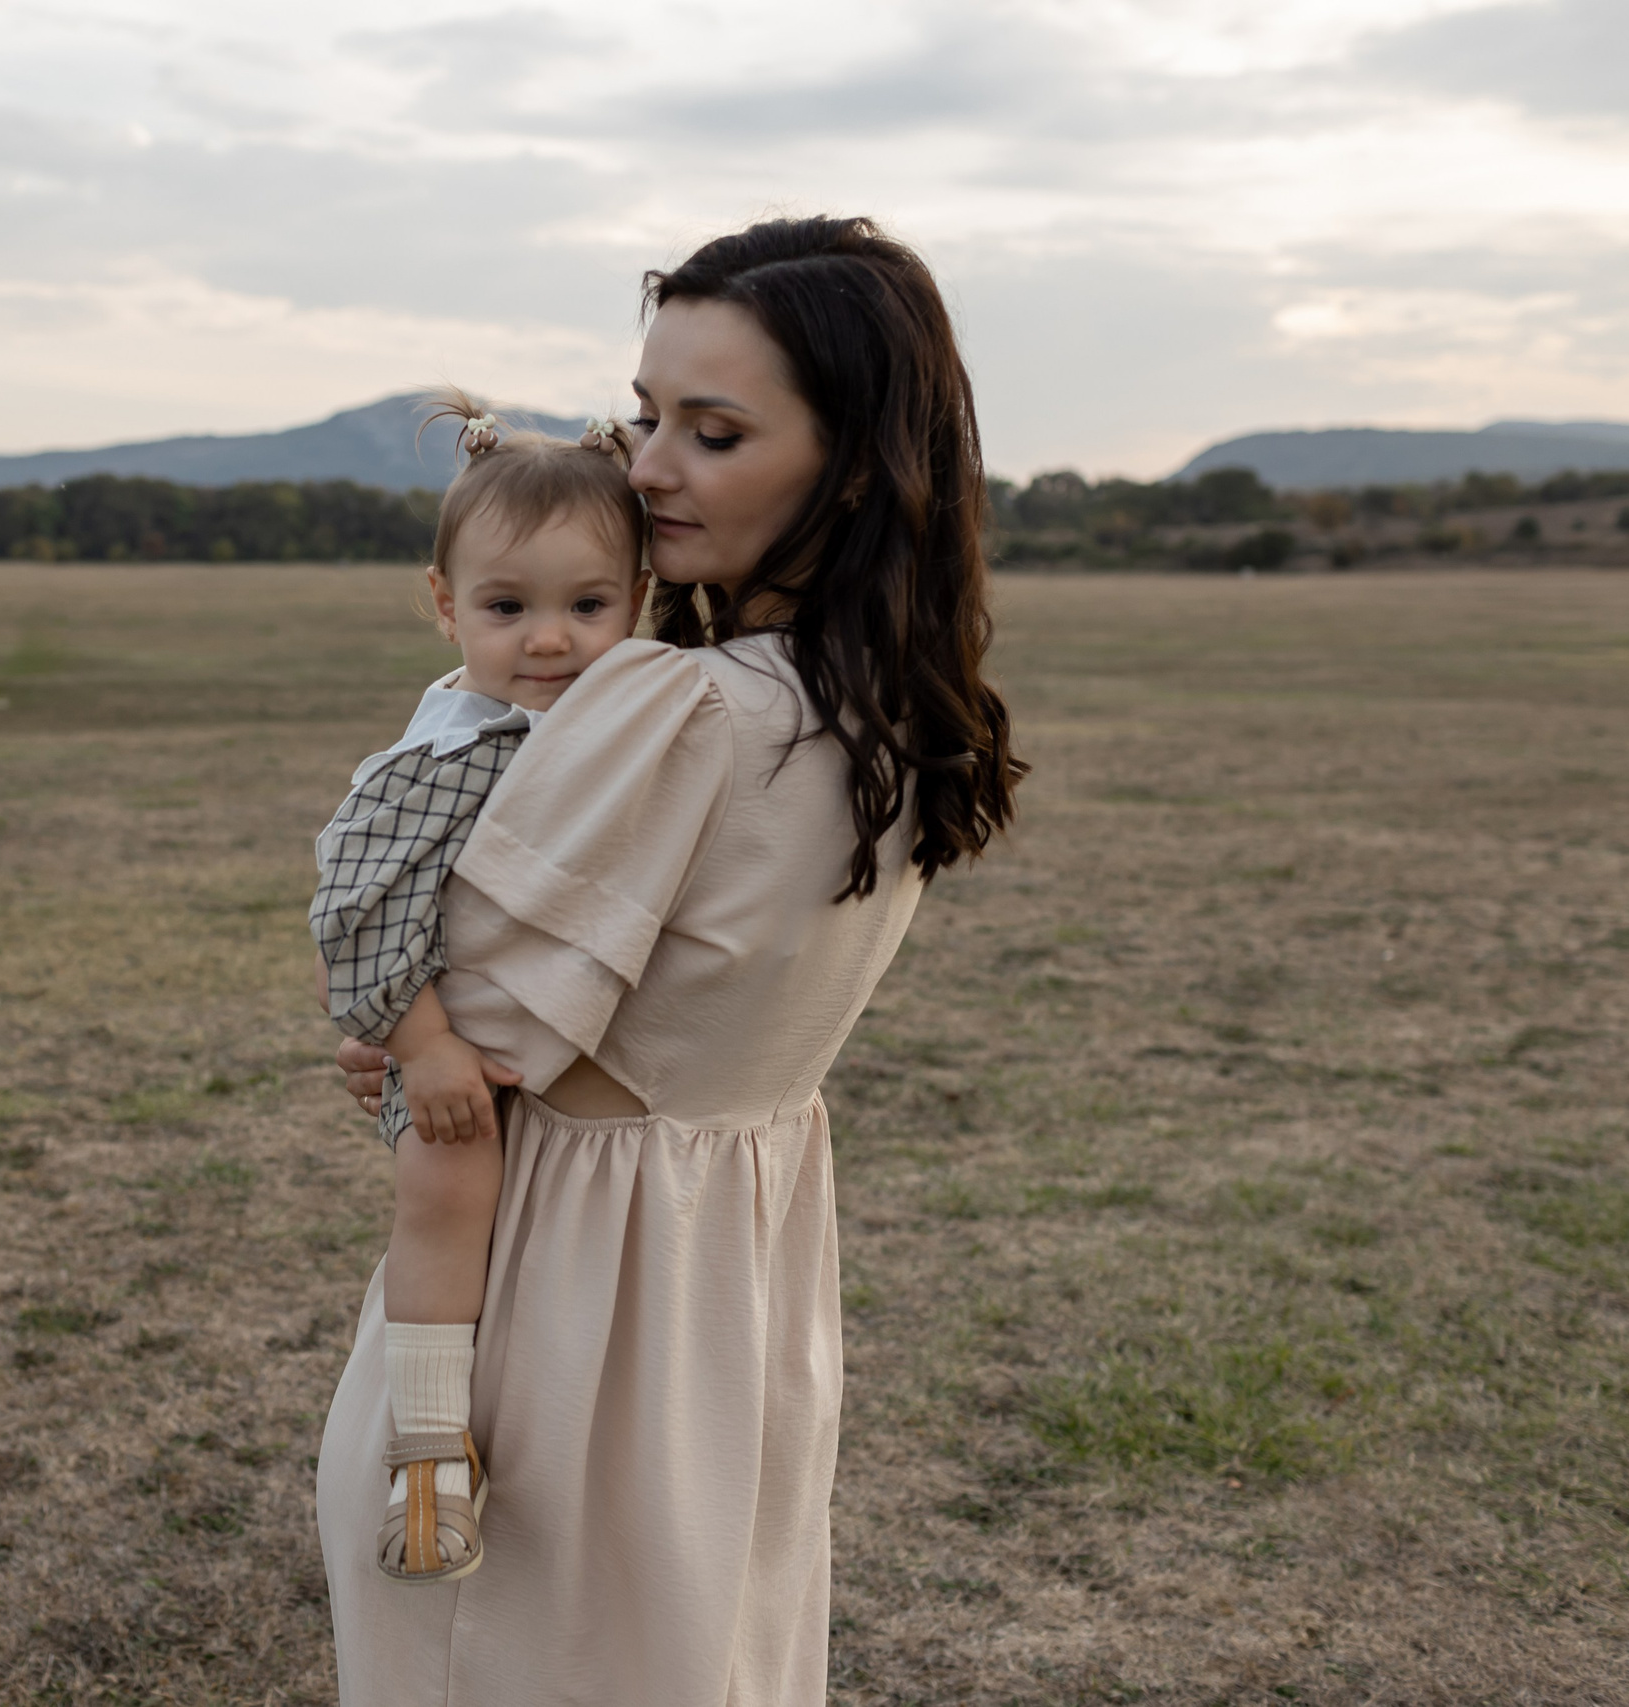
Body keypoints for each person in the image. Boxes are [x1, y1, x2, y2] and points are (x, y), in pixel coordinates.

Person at [316, 216, 1026, 1705]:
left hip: (570, 1273)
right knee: (703, 1641)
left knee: (509, 1655)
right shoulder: (891, 705)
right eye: (648, 415)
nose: (645, 468)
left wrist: (403, 1032)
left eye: (711, 431)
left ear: (851, 462)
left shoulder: (679, 707)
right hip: (736, 1262)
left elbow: (485, 1034)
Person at [309, 392, 649, 1586]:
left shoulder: (621, 710)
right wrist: (422, 1041)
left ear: (638, 604)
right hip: (444, 1037)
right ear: (447, 607)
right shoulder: (452, 751)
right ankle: (427, 1454)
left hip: (565, 1057)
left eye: (587, 606)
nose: (548, 639)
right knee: (447, 1186)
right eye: (508, 609)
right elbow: (347, 917)